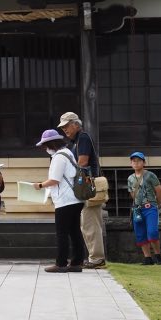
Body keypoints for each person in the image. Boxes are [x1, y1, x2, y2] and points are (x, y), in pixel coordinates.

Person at [32, 128, 85, 273]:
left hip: (65, 200)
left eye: (45, 146)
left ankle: (61, 263)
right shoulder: (68, 153)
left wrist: (40, 185)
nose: (45, 149)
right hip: (75, 199)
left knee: (62, 233)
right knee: (74, 231)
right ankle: (77, 262)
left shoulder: (58, 157)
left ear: (51, 144)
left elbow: (54, 180)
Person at [58, 112, 104, 269]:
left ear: (75, 124)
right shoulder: (74, 141)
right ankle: (93, 257)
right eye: (62, 127)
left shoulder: (83, 138)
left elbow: (82, 162)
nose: (64, 129)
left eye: (66, 125)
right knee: (85, 224)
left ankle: (97, 258)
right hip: (83, 187)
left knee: (90, 223)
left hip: (88, 186)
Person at [126, 151, 161, 265]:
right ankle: (147, 258)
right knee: (140, 233)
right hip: (137, 208)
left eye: (139, 161)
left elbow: (159, 190)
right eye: (134, 161)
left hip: (150, 206)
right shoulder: (130, 178)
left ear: (144, 162)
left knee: (152, 231)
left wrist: (156, 204)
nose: (136, 163)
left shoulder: (150, 175)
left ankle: (158, 255)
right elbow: (132, 193)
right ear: (131, 163)